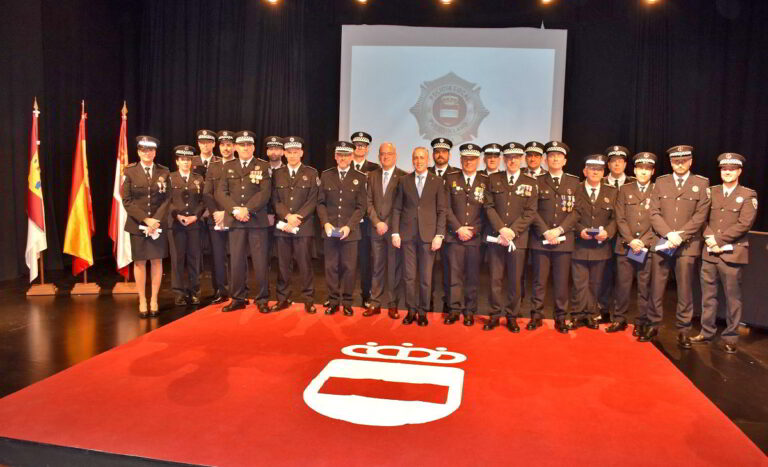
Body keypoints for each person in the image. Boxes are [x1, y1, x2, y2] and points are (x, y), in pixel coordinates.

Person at [644, 145, 711, 347]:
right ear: (671, 162)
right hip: (664, 241)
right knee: (657, 286)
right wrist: (668, 233)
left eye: (683, 161)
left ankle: (683, 329)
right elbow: (653, 212)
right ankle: (653, 324)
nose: (680, 164)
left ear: (690, 161)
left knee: (685, 288)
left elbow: (701, 215)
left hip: (687, 245)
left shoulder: (701, 183)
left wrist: (680, 236)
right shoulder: (661, 182)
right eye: (676, 161)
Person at [692, 153, 758, 353]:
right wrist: (710, 238)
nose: (727, 172)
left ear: (739, 171)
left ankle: (731, 337)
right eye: (724, 169)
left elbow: (744, 223)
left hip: (731, 253)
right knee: (708, 295)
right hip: (710, 252)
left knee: (732, 298)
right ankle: (706, 331)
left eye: (731, 169)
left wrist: (719, 240)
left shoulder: (748, 195)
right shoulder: (711, 192)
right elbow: (701, 217)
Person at [215, 130, 272, 313]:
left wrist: (247, 209)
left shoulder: (262, 166)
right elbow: (220, 192)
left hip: (256, 220)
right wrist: (235, 210)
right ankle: (238, 298)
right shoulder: (228, 166)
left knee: (260, 261)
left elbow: (264, 193)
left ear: (253, 147)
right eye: (242, 145)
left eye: (248, 145)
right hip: (236, 220)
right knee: (236, 261)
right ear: (236, 147)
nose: (245, 148)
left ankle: (262, 298)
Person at [483, 142, 537, 331]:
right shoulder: (493, 179)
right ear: (504, 159)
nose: (512, 160)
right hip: (497, 238)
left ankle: (512, 316)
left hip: (518, 239)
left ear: (521, 159)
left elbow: (530, 212)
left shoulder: (530, 182)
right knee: (494, 279)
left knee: (515, 279)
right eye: (509, 157)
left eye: (516, 157)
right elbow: (488, 206)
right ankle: (494, 314)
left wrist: (512, 231)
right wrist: (501, 229)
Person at [529, 141, 580, 333]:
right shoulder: (536, 181)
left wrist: (559, 231)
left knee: (561, 282)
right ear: (545, 159)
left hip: (563, 240)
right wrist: (545, 231)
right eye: (551, 156)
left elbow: (576, 212)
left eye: (559, 156)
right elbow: (532, 210)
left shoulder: (575, 182)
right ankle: (536, 315)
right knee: (538, 281)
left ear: (565, 160)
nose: (555, 159)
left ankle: (560, 317)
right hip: (540, 239)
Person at [392, 147, 446, 326]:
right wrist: (395, 232)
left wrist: (439, 234)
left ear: (428, 159)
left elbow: (441, 210)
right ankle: (411, 310)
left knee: (425, 277)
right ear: (412, 160)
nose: (419, 160)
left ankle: (423, 311)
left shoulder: (437, 181)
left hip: (428, 236)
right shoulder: (403, 180)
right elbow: (397, 208)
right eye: (416, 157)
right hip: (407, 235)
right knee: (408, 277)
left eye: (422, 157)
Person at [121, 136, 170, 317]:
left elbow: (167, 199)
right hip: (137, 225)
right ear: (138, 152)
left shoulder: (164, 172)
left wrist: (155, 220)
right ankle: (142, 299)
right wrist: (145, 220)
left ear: (155, 152)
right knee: (140, 262)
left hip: (157, 224)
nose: (147, 153)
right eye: (143, 150)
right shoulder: (130, 172)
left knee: (157, 261)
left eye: (150, 150)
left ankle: (154, 299)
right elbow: (127, 200)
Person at [270, 136, 319, 314]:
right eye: (289, 152)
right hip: (283, 225)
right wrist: (287, 216)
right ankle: (283, 298)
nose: (292, 155)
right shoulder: (277, 174)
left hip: (302, 226)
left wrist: (298, 217)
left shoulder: (311, 173)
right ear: (284, 153)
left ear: (301, 153)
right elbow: (275, 200)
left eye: (295, 152)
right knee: (283, 266)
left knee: (305, 265)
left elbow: (313, 199)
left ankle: (308, 299)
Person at [317, 141, 367, 316]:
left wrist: (349, 226)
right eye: (340, 155)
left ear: (352, 157)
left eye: (346, 155)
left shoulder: (360, 177)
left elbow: (361, 207)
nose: (343, 158)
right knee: (331, 267)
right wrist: (326, 223)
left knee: (349, 268)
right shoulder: (326, 175)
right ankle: (332, 301)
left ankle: (346, 301)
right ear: (335, 156)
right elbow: (320, 203)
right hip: (330, 230)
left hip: (350, 232)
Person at [443, 143, 490, 326]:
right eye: (465, 159)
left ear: (478, 161)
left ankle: (469, 311)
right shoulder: (450, 178)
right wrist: (458, 228)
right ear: (460, 160)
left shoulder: (485, 181)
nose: (468, 162)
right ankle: (454, 310)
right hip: (455, 237)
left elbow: (488, 211)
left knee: (472, 277)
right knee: (454, 276)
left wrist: (474, 230)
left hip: (475, 238)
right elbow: (445, 208)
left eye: (472, 159)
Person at [570, 154, 618, 329]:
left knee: (595, 284)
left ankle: (590, 314)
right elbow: (569, 213)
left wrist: (608, 232)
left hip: (601, 246)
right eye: (592, 169)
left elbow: (615, 219)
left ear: (603, 172)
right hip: (579, 244)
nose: (595, 172)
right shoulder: (575, 189)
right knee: (579, 283)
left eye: (599, 169)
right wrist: (579, 230)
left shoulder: (612, 192)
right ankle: (577, 314)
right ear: (585, 171)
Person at [613, 152, 657, 334]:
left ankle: (641, 321)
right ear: (635, 170)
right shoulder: (625, 189)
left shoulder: (657, 191)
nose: (643, 172)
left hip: (646, 246)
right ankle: (619, 319)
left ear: (652, 171)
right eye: (640, 168)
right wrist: (631, 240)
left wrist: (643, 241)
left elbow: (658, 219)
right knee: (622, 285)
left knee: (644, 286)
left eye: (647, 169)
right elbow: (620, 218)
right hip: (626, 245)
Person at [364, 142, 406, 319]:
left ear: (395, 155)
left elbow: (403, 205)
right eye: (382, 154)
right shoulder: (372, 176)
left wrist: (387, 223)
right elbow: (368, 202)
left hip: (394, 230)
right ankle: (375, 302)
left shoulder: (403, 176)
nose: (385, 157)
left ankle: (393, 304)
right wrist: (377, 222)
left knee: (394, 268)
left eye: (389, 154)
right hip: (376, 229)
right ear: (378, 156)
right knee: (377, 267)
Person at [597, 145, 635, 322]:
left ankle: (621, 314)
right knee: (603, 275)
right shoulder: (600, 181)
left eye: (620, 161)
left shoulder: (635, 182)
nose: (617, 164)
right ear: (608, 164)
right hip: (603, 237)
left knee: (624, 279)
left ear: (625, 164)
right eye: (613, 161)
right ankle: (602, 309)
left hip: (627, 238)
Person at [168, 145, 205, 306]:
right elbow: (166, 201)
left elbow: (203, 200)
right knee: (177, 259)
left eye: (188, 159)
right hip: (176, 224)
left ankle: (194, 291)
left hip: (194, 224)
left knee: (194, 258)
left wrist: (195, 216)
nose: (185, 162)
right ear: (177, 161)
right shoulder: (169, 178)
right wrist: (178, 215)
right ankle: (178, 293)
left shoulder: (199, 179)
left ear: (192, 161)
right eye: (182, 159)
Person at [202, 130, 235, 304]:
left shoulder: (239, 165)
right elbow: (207, 193)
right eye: (223, 145)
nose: (226, 148)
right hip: (215, 218)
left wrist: (227, 213)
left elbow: (239, 195)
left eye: (229, 145)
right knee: (217, 256)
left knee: (237, 255)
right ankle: (220, 290)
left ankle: (238, 290)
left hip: (234, 217)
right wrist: (215, 212)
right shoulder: (213, 166)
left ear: (234, 147)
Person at [428, 137, 460, 315]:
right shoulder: (425, 173)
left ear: (449, 154)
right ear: (433, 154)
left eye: (444, 151)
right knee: (428, 272)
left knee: (450, 271)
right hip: (428, 231)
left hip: (450, 232)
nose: (440, 155)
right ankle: (428, 302)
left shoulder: (456, 174)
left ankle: (449, 304)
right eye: (437, 151)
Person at [351, 131, 380, 308]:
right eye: (356, 145)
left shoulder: (375, 169)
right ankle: (338, 295)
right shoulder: (344, 164)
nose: (359, 148)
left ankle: (366, 295)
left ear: (367, 149)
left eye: (363, 146)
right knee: (343, 261)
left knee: (365, 261)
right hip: (347, 222)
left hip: (366, 223)